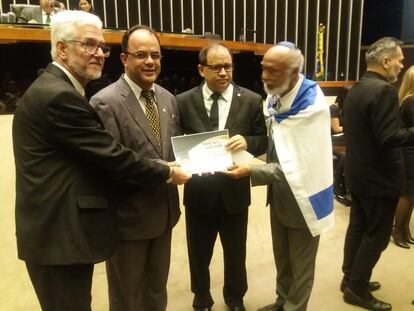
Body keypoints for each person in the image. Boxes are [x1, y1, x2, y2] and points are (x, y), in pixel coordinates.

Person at [12, 10, 190, 311]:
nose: (98, 54)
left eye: (100, 47)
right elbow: (112, 157)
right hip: (61, 234)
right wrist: (166, 173)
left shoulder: (60, 90)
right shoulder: (61, 97)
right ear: (61, 48)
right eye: (88, 45)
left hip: (67, 230)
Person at [225, 41, 334, 311]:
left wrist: (252, 170)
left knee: (301, 266)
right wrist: (248, 145)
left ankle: (294, 307)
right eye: (264, 68)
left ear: (294, 72)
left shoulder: (312, 106)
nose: (264, 76)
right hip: (281, 195)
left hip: (305, 198)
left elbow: (300, 166)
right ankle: (282, 300)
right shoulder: (276, 97)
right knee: (282, 259)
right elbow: (277, 145)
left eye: (272, 70)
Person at [89, 25, 181, 311]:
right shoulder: (105, 102)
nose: (150, 61)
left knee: (157, 291)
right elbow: (111, 165)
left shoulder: (168, 99)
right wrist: (165, 171)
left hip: (164, 216)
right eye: (141, 55)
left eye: (156, 55)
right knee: (128, 297)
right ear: (124, 59)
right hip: (127, 221)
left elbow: (174, 149)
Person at [176, 42, 267, 311]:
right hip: (199, 192)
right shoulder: (183, 101)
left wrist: (248, 142)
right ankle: (201, 295)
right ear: (201, 69)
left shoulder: (251, 100)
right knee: (198, 251)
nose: (224, 73)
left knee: (236, 251)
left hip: (235, 190)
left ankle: (235, 296)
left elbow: (264, 139)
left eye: (228, 66)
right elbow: (175, 142)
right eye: (216, 67)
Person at [341, 37, 414, 311]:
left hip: (359, 174)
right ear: (385, 62)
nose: (402, 63)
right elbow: (389, 137)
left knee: (358, 228)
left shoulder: (357, 87)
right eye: (399, 59)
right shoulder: (383, 90)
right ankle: (357, 289)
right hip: (379, 178)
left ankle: (350, 278)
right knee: (377, 235)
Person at [391, 65, 414, 249]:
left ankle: (405, 228)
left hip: (410, 150)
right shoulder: (410, 101)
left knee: (412, 194)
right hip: (409, 152)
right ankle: (398, 229)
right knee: (406, 194)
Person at [330, 86, 351, 206]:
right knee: (345, 156)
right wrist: (352, 126)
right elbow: (336, 129)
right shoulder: (334, 108)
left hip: (342, 139)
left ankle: (347, 186)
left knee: (352, 152)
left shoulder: (346, 109)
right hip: (331, 140)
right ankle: (337, 189)